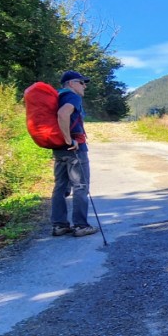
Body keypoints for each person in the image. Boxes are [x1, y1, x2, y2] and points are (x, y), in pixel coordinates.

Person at [51, 71, 98, 237]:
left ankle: (59, 225)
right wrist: (68, 139)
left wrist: (63, 141)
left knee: (60, 186)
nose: (85, 85)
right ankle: (81, 226)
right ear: (71, 83)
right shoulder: (72, 97)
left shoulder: (58, 96)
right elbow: (63, 114)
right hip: (74, 148)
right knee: (80, 186)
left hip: (58, 149)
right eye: (82, 82)